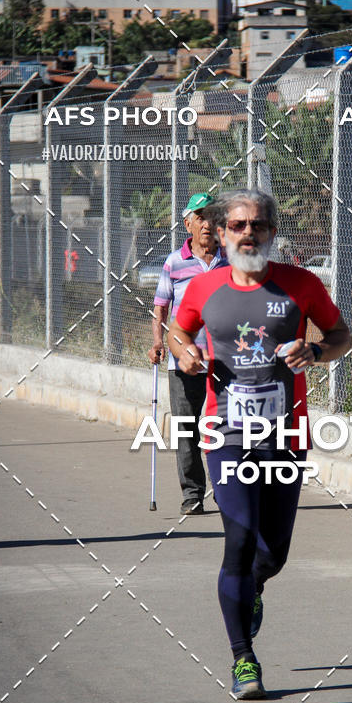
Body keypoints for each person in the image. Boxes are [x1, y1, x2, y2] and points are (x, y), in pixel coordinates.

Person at [168, 188, 352, 698]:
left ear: (272, 232)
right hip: (224, 434)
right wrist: (187, 356)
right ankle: (242, 659)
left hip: (286, 434)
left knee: (273, 553)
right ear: (222, 233)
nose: (249, 233)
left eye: (259, 225)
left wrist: (315, 350)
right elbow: (179, 333)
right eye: (239, 225)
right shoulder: (204, 289)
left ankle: (255, 587)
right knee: (240, 540)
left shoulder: (302, 285)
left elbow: (343, 336)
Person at [148, 193, 227, 515]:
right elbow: (160, 307)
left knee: (225, 430)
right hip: (183, 362)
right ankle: (193, 495)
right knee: (187, 429)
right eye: (200, 217)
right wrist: (158, 342)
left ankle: (226, 492)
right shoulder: (174, 262)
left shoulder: (232, 260)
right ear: (188, 223)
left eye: (212, 217)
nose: (207, 223)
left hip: (224, 360)